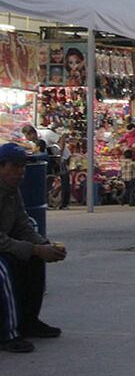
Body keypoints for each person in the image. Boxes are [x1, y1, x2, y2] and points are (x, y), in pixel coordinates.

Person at [0, 143, 66, 353]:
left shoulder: (13, 191)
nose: (21, 172)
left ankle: (29, 321)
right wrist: (34, 249)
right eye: (15, 166)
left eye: (23, 166)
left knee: (34, 259)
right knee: (2, 271)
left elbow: (23, 224)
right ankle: (8, 334)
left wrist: (43, 245)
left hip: (5, 243)